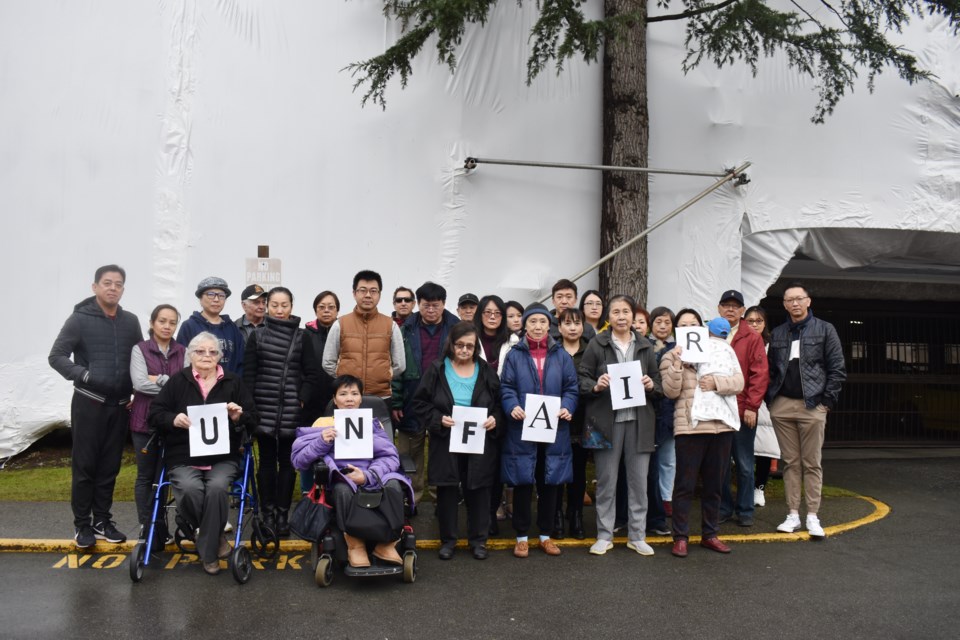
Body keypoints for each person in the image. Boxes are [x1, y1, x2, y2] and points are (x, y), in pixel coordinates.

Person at [148, 332, 258, 575]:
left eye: (213, 352)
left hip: (223, 456)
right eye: (200, 351)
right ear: (191, 355)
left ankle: (208, 555)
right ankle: (217, 539)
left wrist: (239, 416)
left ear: (220, 356)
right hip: (184, 455)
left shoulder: (233, 382)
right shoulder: (178, 382)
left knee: (218, 488)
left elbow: (253, 418)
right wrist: (173, 418)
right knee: (189, 489)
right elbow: (154, 414)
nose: (207, 356)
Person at [49, 264, 143, 548]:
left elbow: (138, 359)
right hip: (89, 404)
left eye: (118, 284)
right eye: (107, 283)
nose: (112, 288)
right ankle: (82, 526)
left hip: (120, 406)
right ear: (95, 287)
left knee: (109, 467)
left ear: (123, 289)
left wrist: (138, 391)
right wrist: (85, 375)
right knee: (85, 466)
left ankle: (102, 520)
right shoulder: (79, 319)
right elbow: (57, 356)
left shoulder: (131, 321)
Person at [290, 375, 413, 568]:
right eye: (343, 394)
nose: (349, 398)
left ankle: (386, 544)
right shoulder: (322, 424)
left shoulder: (373, 424)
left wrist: (368, 476)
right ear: (334, 399)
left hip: (372, 474)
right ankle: (355, 545)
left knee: (393, 485)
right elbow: (299, 461)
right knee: (342, 489)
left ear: (361, 398)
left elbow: (390, 456)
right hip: (340, 476)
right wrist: (321, 441)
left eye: (355, 394)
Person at [578, 295, 662, 556]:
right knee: (606, 481)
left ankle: (637, 535)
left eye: (626, 311)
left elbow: (659, 384)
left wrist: (651, 385)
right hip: (607, 422)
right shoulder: (597, 343)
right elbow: (582, 376)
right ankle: (604, 534)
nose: (622, 316)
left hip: (639, 422)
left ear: (632, 315)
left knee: (638, 482)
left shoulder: (646, 346)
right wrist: (596, 385)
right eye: (616, 312)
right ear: (609, 317)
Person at [412, 322, 502, 560]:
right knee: (447, 489)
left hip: (479, 439)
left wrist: (495, 419)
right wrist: (438, 419)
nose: (464, 350)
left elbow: (500, 404)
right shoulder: (437, 369)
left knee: (480, 489)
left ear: (476, 348)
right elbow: (420, 404)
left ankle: (478, 541)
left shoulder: (485, 371)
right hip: (446, 438)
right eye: (460, 345)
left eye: (469, 346)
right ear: (451, 345)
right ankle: (448, 540)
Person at [660, 315, 744, 558]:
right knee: (685, 485)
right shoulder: (670, 355)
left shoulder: (721, 351)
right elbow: (670, 391)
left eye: (693, 324)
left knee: (715, 485)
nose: (689, 329)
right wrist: (677, 363)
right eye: (683, 326)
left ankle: (710, 534)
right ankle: (681, 537)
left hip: (722, 427)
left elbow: (739, 382)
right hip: (689, 427)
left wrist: (715, 382)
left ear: (702, 328)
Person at [767, 282, 846, 538]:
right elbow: (770, 370)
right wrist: (771, 400)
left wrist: (827, 402)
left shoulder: (825, 329)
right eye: (789, 300)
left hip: (813, 405)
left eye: (799, 299)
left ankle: (812, 515)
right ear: (784, 304)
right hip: (782, 405)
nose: (795, 304)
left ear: (808, 301)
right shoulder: (778, 333)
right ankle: (792, 514)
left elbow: (837, 368)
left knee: (812, 462)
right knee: (790, 462)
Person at [500, 303, 578, 558]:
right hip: (523, 426)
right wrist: (512, 406)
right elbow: (507, 387)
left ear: (549, 325)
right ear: (525, 324)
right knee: (523, 480)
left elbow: (571, 388)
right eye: (532, 321)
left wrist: (567, 406)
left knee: (550, 481)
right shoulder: (515, 354)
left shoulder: (561, 355)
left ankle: (545, 535)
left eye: (542, 322)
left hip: (554, 427)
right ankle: (521, 536)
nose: (537, 326)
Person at [392, 281, 460, 505]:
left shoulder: (456, 328)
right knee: (411, 452)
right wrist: (397, 402)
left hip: (446, 399)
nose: (431, 310)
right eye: (426, 305)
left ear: (443, 304)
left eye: (435, 305)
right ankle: (412, 498)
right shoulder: (405, 329)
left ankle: (441, 499)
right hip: (413, 398)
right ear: (417, 304)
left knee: (443, 453)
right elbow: (397, 368)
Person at [243, 287, 304, 536]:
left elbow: (310, 373)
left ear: (291, 306)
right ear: (267, 306)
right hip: (263, 409)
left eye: (285, 305)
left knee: (288, 464)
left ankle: (282, 515)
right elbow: (249, 375)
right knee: (266, 463)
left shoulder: (303, 337)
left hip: (291, 409)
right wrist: (251, 408)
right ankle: (267, 514)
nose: (280, 310)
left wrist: (302, 399)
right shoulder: (256, 336)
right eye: (275, 305)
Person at [129, 304, 185, 549]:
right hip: (144, 423)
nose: (167, 326)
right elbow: (140, 384)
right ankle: (146, 526)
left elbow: (184, 384)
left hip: (171, 423)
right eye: (162, 321)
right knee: (145, 477)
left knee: (164, 478)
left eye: (172, 322)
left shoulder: (182, 350)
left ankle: (160, 526)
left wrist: (159, 379)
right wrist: (169, 383)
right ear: (152, 323)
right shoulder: (140, 349)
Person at [717, 289, 770, 528]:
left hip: (741, 410)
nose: (730, 309)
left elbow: (759, 374)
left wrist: (752, 407)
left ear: (742, 311)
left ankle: (746, 509)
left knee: (745, 463)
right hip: (716, 411)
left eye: (735, 306)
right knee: (720, 464)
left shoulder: (752, 337)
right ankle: (724, 508)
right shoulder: (711, 333)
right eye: (726, 305)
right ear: (719, 309)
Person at [322, 269, 405, 400]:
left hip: (381, 397)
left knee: (381, 422)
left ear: (379, 295)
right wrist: (344, 377)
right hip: (348, 399)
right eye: (362, 290)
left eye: (373, 291)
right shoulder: (340, 324)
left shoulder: (391, 325)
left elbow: (400, 364)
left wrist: (384, 375)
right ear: (354, 293)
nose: (368, 295)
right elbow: (327, 362)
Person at [300, 290, 340, 494]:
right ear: (315, 309)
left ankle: (334, 494)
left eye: (331, 307)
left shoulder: (344, 331)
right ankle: (308, 492)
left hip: (337, 401)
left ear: (337, 310)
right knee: (310, 448)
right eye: (321, 307)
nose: (326, 311)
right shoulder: (305, 334)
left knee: (336, 447)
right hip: (311, 402)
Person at [557, 308, 590, 540]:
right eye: (567, 323)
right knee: (557, 468)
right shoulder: (553, 350)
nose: (572, 327)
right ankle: (556, 514)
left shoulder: (592, 350)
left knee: (579, 470)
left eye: (577, 323)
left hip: (584, 418)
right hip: (556, 418)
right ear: (559, 327)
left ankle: (576, 513)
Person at [743, 305, 780, 507]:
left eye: (759, 321)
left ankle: (760, 488)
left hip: (766, 402)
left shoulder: (771, 346)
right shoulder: (738, 342)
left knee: (765, 449)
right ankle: (746, 488)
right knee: (745, 449)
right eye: (750, 320)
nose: (755, 324)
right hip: (742, 400)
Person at [176, 277, 245, 375]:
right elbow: (181, 361)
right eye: (211, 294)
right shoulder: (189, 326)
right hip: (197, 387)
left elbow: (240, 362)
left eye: (221, 295)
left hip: (229, 387)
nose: (216, 299)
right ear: (200, 298)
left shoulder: (232, 328)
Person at [649, 306, 677, 516]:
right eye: (659, 321)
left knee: (668, 458)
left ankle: (666, 497)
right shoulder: (643, 344)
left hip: (670, 409)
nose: (663, 326)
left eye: (667, 322)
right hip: (648, 408)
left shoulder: (679, 347)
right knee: (649, 460)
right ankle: (650, 497)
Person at [474, 295, 510, 373]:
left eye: (497, 313)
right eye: (488, 312)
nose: (492, 317)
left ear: (503, 317)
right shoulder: (471, 339)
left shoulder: (511, 342)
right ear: (480, 314)